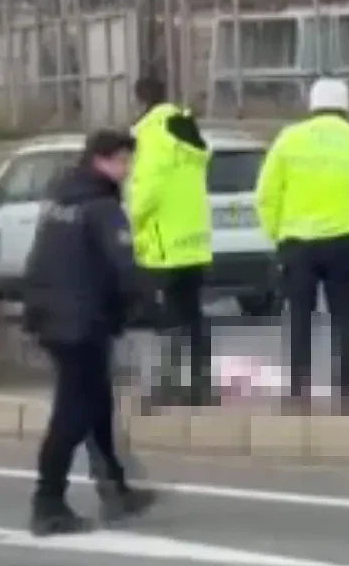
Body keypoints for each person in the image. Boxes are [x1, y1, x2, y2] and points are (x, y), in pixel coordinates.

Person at [22, 130, 157, 536]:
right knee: (74, 413)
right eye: (123, 161)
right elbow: (125, 267)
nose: (127, 170)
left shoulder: (61, 200)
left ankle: (114, 488)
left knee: (96, 403)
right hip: (81, 322)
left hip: (52, 315)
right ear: (102, 159)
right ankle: (48, 503)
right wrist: (149, 305)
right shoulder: (100, 206)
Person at [255, 77, 349, 414]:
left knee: (299, 317)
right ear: (346, 106)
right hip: (345, 241)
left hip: (296, 242)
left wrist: (277, 236)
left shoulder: (289, 140)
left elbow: (266, 195)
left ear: (311, 104)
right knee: (343, 318)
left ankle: (298, 391)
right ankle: (344, 393)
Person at [127, 76, 214, 407]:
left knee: (167, 318)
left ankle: (168, 385)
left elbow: (147, 191)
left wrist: (130, 221)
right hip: (195, 242)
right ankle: (201, 386)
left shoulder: (151, 135)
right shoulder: (186, 130)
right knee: (193, 315)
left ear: (139, 100)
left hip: (163, 245)